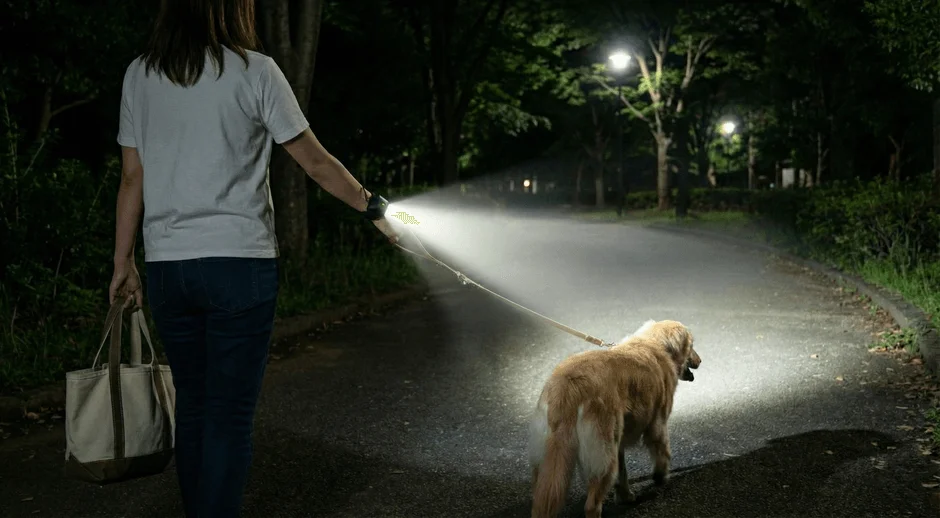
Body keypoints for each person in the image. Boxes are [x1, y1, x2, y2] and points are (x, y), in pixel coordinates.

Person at [106, 0, 399, 516]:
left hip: (170, 267)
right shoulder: (255, 70)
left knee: (194, 408)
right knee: (229, 417)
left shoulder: (140, 74)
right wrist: (373, 206)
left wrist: (121, 263)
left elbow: (133, 178)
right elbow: (312, 160)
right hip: (239, 264)